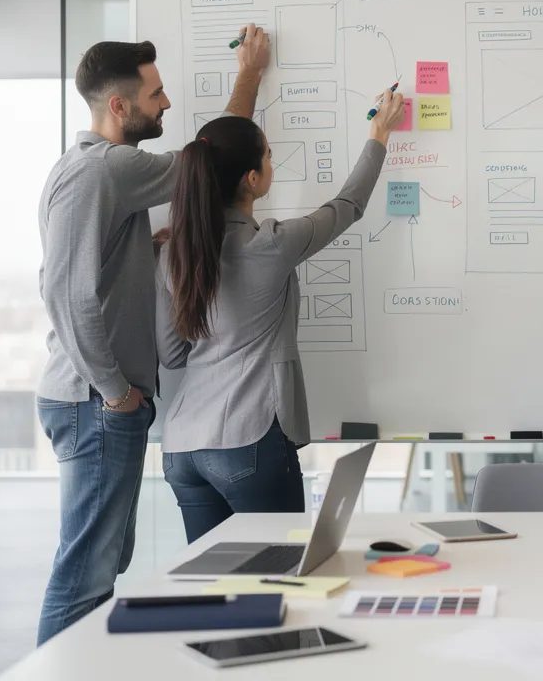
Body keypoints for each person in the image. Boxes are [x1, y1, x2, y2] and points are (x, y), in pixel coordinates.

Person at [35, 25, 270, 643]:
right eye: (156, 94)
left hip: (94, 400)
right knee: (85, 573)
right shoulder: (103, 171)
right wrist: (115, 393)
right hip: (95, 402)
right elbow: (64, 293)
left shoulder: (98, 172)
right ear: (119, 107)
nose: (166, 103)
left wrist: (145, 247)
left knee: (103, 563)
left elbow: (198, 168)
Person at [155, 92, 404, 543]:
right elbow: (349, 205)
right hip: (248, 440)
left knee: (212, 584)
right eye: (269, 155)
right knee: (279, 576)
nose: (273, 161)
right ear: (252, 179)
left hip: (182, 448)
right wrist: (379, 135)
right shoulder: (270, 244)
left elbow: (173, 355)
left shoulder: (173, 251)